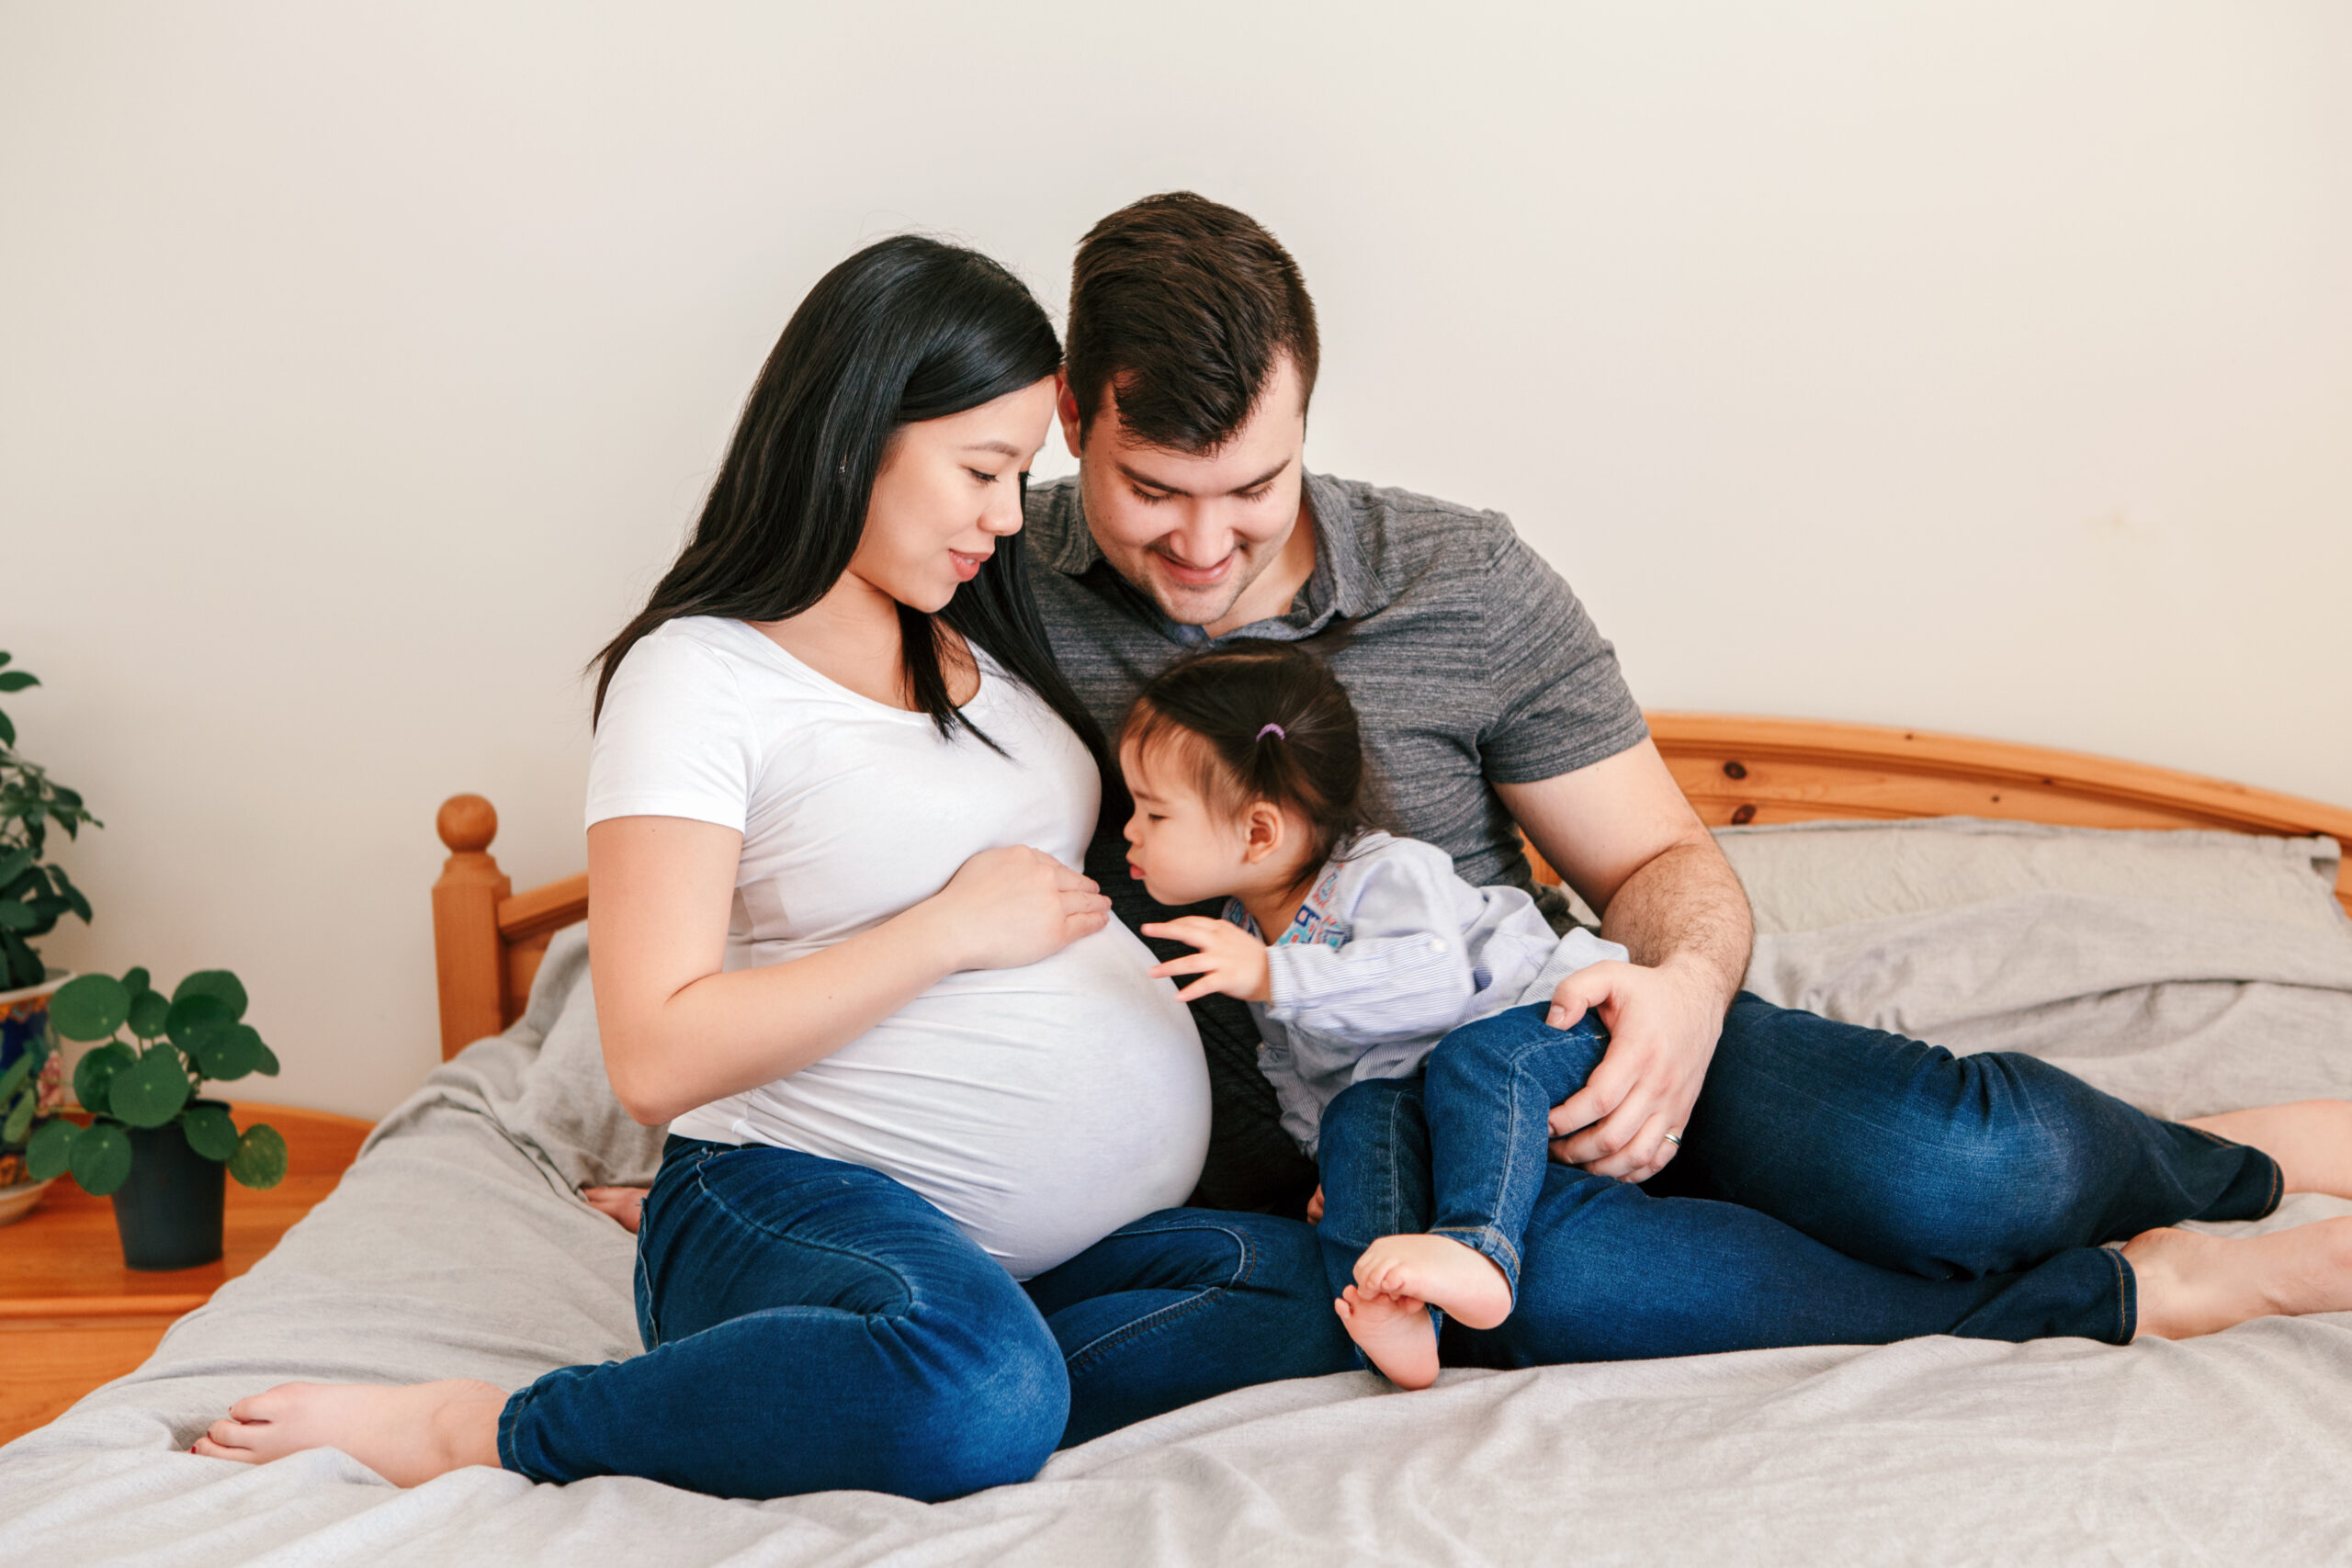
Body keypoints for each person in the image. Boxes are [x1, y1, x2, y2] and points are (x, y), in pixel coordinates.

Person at [1016, 190, 2352, 1360]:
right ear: (1071, 416)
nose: (1201, 543)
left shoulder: (1459, 579)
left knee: (1960, 1166)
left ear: (1307, 411)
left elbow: (1659, 861)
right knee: (1540, 1301)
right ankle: (2125, 1287)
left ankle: (2231, 1155)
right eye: (1151, 490)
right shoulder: (991, 586)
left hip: (1564, 1032)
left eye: (1251, 486)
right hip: (1397, 1146)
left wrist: (1681, 1001)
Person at [189, 235, 1352, 1500]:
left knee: (1314, 1283)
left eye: (1023, 473)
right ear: (858, 433)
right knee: (979, 1388)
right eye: (982, 470)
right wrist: (949, 930)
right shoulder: (700, 674)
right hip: (786, 1187)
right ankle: (495, 1423)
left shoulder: (977, 648)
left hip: (987, 1253)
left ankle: (859, 1368)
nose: (1010, 515)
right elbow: (654, 1048)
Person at [1118, 638, 1636, 1389]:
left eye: (1153, 812)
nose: (1129, 830)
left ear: (1259, 831)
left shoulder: (1384, 870)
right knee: (1360, 1117)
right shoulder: (1250, 926)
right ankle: (1400, 1325)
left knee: (1476, 1063)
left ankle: (1479, 1247)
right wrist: (1328, 1156)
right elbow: (1302, 1067)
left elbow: (1431, 985)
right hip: (1432, 1086)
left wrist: (1269, 973)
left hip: (1549, 1020)